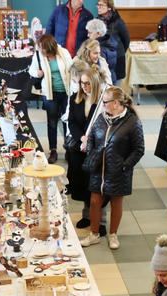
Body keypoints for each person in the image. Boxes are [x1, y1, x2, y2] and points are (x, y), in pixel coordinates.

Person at [79, 86, 144, 250]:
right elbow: (92, 137)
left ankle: (113, 234)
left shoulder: (132, 122)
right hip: (98, 169)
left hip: (119, 171)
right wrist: (91, 154)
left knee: (116, 203)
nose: (103, 105)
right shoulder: (101, 118)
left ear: (116, 103)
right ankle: (94, 234)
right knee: (94, 202)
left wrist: (125, 166)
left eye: (105, 102)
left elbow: (138, 149)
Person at [66, 67, 106, 235]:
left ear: (95, 83)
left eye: (88, 83)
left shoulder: (103, 102)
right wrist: (81, 137)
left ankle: (101, 220)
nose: (84, 86)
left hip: (96, 149)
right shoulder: (75, 98)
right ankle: (87, 216)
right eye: (82, 83)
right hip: (79, 148)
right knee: (82, 183)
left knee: (96, 186)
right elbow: (72, 122)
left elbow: (106, 125)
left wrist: (91, 140)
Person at [29, 34, 73, 164]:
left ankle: (68, 148)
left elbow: (72, 69)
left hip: (66, 92)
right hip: (50, 94)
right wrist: (38, 73)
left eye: (43, 48)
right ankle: (53, 150)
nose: (41, 50)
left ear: (50, 47)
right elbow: (31, 70)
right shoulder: (38, 56)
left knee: (67, 121)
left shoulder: (63, 52)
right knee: (52, 122)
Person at [97, 0, 130, 84]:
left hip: (117, 59)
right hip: (102, 58)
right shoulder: (97, 21)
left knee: (115, 89)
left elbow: (126, 40)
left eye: (102, 5)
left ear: (109, 8)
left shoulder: (118, 22)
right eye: (98, 5)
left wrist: (119, 52)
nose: (99, 7)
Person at [85, 19, 117, 84]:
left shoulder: (99, 50)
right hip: (112, 78)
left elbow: (98, 72)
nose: (88, 35)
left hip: (104, 83)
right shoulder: (110, 42)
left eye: (90, 33)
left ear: (98, 34)